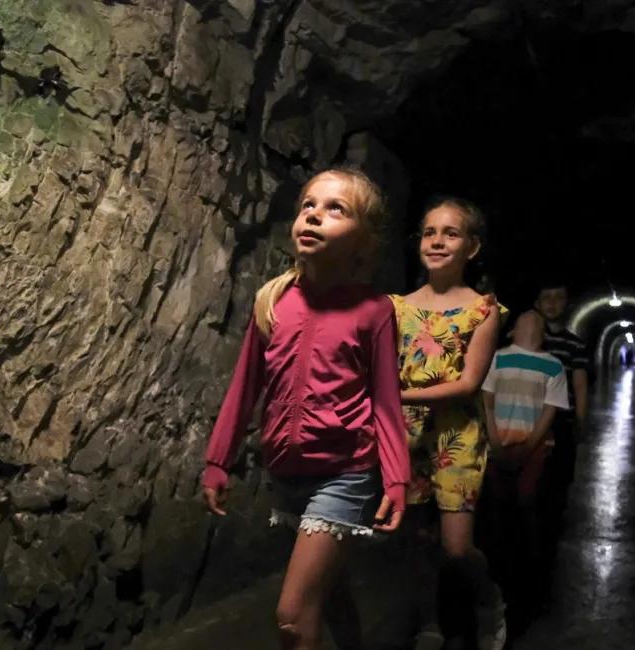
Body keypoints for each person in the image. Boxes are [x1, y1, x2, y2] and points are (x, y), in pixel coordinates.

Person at [202, 168, 411, 650]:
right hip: (287, 472)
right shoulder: (273, 301)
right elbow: (245, 386)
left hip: (345, 473)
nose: (314, 215)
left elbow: (385, 400)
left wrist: (397, 479)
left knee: (293, 616)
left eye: (336, 208)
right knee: (329, 593)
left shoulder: (374, 311)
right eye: (308, 205)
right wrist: (217, 460)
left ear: (364, 241)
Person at [391, 197, 506, 650]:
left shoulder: (483, 310)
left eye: (451, 233)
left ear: (471, 248)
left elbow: (467, 384)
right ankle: (429, 622)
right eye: (429, 232)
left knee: (456, 548)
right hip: (406, 435)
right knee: (419, 541)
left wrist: (395, 395)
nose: (437, 241)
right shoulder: (396, 308)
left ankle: (488, 599)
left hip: (457, 436)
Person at [480, 310, 569, 622]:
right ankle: (504, 561)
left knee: (525, 500)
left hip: (533, 448)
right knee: (500, 502)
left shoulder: (553, 365)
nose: (530, 324)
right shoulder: (498, 358)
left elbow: (549, 411)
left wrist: (529, 446)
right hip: (502, 444)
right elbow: (487, 400)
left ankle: (525, 564)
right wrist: (494, 439)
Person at [533, 282, 589, 486]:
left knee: (560, 478)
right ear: (537, 304)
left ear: (568, 304)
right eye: (546, 297)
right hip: (531, 418)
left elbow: (580, 386)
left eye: (559, 297)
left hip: (562, 421)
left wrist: (580, 420)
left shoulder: (575, 344)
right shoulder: (528, 338)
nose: (552, 303)